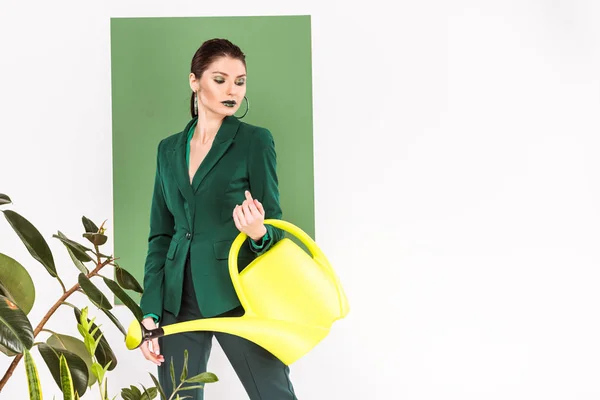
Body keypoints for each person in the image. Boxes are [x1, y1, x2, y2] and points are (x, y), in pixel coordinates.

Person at [138, 38, 298, 400]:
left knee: (273, 393)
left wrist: (258, 233)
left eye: (240, 81)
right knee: (179, 396)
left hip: (237, 294)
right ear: (195, 81)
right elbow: (160, 234)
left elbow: (272, 223)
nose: (233, 91)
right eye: (220, 79)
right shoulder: (168, 149)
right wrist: (150, 310)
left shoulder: (254, 141)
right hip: (177, 300)